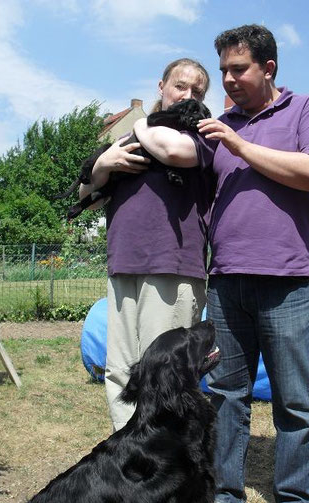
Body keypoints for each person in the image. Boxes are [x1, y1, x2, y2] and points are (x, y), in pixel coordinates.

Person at [195, 24, 309, 503]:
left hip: (288, 282)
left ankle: (296, 501)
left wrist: (238, 142)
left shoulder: (306, 110)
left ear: (268, 68)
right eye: (224, 71)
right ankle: (224, 492)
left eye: (239, 69)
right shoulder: (215, 125)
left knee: (294, 399)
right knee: (225, 394)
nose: (228, 80)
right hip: (227, 281)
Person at [79, 58, 216, 432]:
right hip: (123, 262)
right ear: (161, 85)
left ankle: (164, 454)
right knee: (120, 368)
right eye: (180, 87)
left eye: (198, 91)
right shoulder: (127, 143)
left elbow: (171, 152)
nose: (188, 95)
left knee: (167, 372)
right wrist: (105, 163)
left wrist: (140, 124)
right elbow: (86, 193)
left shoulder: (199, 134)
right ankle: (129, 453)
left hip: (172, 264)